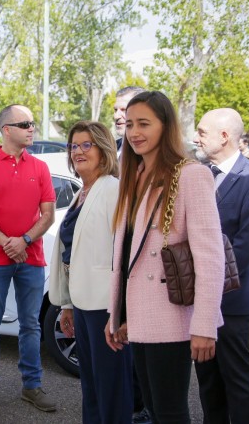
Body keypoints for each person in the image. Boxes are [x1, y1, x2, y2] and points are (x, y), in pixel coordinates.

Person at [105, 91, 225, 423]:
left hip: (173, 317)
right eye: (129, 124)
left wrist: (204, 325)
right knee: (154, 410)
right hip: (140, 316)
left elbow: (210, 258)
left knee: (170, 412)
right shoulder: (134, 173)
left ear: (165, 125)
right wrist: (116, 315)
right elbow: (129, 254)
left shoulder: (190, 174)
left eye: (144, 123)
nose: (134, 132)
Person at [0, 104, 57, 412]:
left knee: (31, 324)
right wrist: (8, 243)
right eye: (25, 124)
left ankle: (32, 387)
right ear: (6, 130)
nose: (32, 128)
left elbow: (48, 215)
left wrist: (26, 240)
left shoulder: (40, 168)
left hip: (31, 259)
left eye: (33, 123)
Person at [193, 108, 249, 424]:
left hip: (232, 299)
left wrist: (207, 284)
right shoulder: (199, 173)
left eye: (201, 131)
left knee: (235, 375)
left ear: (225, 136)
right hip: (198, 298)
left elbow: (247, 246)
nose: (195, 136)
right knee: (207, 378)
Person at [48, 121, 132, 423]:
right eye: (74, 146)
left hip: (104, 306)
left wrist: (120, 312)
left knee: (112, 388)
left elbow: (125, 255)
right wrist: (67, 305)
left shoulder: (112, 189)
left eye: (87, 145)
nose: (78, 151)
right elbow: (74, 254)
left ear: (103, 149)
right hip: (83, 305)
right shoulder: (82, 192)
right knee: (93, 387)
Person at [113, 86, 152, 424]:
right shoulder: (124, 163)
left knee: (160, 399)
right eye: (123, 117)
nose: (122, 121)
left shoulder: (177, 173)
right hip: (124, 284)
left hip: (154, 293)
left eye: (135, 118)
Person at [113, 86, 146, 155]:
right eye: (115, 110)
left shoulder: (153, 153)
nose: (116, 116)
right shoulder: (108, 150)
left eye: (124, 110)